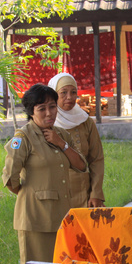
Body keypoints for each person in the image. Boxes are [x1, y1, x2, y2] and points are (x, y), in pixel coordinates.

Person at [2, 84, 87, 264]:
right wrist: (30, 195)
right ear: (31, 112)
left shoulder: (60, 133)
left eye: (52, 106)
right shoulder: (23, 137)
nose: (49, 113)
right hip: (34, 218)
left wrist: (61, 144)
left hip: (61, 216)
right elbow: (10, 177)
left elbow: (81, 165)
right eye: (42, 109)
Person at [48, 73, 105, 208]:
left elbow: (96, 159)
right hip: (55, 195)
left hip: (84, 193)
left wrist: (96, 193)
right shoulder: (46, 122)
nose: (69, 97)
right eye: (63, 92)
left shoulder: (85, 122)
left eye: (74, 92)